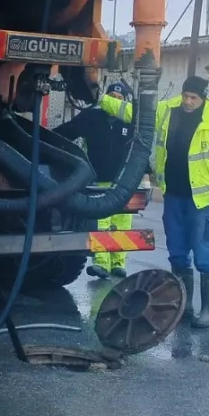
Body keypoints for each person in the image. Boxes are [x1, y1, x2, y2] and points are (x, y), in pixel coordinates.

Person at [100, 75, 209, 328]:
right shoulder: (167, 110)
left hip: (203, 200)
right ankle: (184, 305)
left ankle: (208, 310)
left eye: (194, 98)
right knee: (177, 253)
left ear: (203, 97)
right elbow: (133, 113)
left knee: (203, 253)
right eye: (186, 96)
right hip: (174, 195)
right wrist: (102, 100)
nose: (188, 102)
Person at [54, 80, 136, 280]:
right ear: (105, 99)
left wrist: (146, 172)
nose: (115, 102)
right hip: (97, 181)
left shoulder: (131, 122)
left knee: (121, 225)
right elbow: (66, 132)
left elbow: (141, 148)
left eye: (119, 99)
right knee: (101, 224)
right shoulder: (91, 117)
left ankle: (118, 264)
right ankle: (100, 264)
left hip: (123, 183)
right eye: (112, 98)